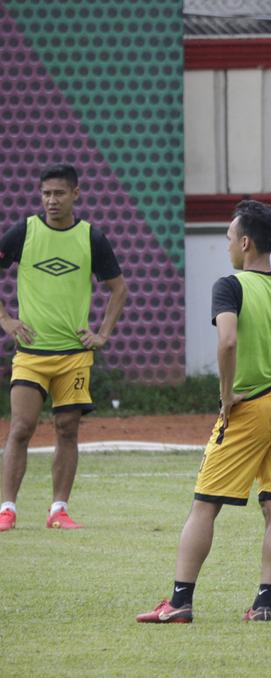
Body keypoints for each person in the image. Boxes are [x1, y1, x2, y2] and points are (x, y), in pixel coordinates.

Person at [137, 200, 271, 623]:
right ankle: (264, 606)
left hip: (249, 408)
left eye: (229, 239)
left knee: (204, 505)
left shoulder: (231, 285)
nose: (228, 246)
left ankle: (180, 602)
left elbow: (228, 342)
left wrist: (226, 395)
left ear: (246, 242)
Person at [0, 164, 128, 533]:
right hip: (31, 355)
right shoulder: (24, 231)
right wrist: (7, 320)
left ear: (75, 194)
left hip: (74, 357)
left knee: (67, 429)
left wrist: (101, 333)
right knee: (21, 428)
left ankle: (59, 509)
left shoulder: (91, 237)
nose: (51, 200)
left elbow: (119, 290)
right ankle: (7, 508)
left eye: (59, 193)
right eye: (46, 194)